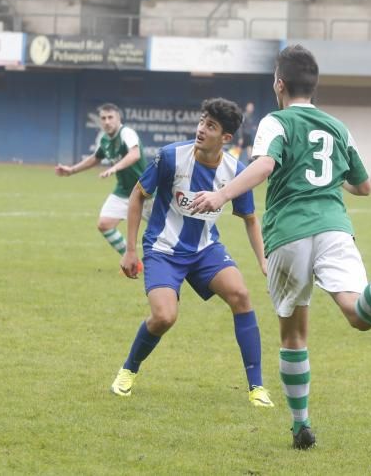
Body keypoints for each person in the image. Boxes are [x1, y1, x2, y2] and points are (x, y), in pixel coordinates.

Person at [189, 44, 371, 450]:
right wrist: (326, 179)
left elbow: (265, 165)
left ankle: (300, 424)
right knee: (358, 313)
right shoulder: (338, 126)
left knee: (293, 335)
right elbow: (365, 186)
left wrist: (220, 196)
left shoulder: (276, 121)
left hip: (288, 234)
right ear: (314, 85)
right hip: (335, 228)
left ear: (279, 83)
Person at [111, 98, 274, 409]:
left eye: (210, 126)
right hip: (163, 249)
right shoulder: (171, 157)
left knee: (241, 295)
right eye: (202, 121)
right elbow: (137, 196)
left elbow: (250, 219)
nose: (201, 129)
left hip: (205, 250)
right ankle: (128, 370)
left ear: (226, 138)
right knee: (164, 317)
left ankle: (257, 388)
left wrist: (263, 260)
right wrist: (130, 250)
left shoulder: (236, 172)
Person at [55, 104, 147, 258]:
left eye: (110, 117)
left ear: (118, 118)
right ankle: (132, 260)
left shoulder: (127, 133)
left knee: (164, 231)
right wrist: (71, 171)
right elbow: (95, 158)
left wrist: (115, 168)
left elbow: (135, 154)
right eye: (103, 118)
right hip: (124, 191)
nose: (107, 121)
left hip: (146, 191)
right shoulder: (105, 139)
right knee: (105, 224)